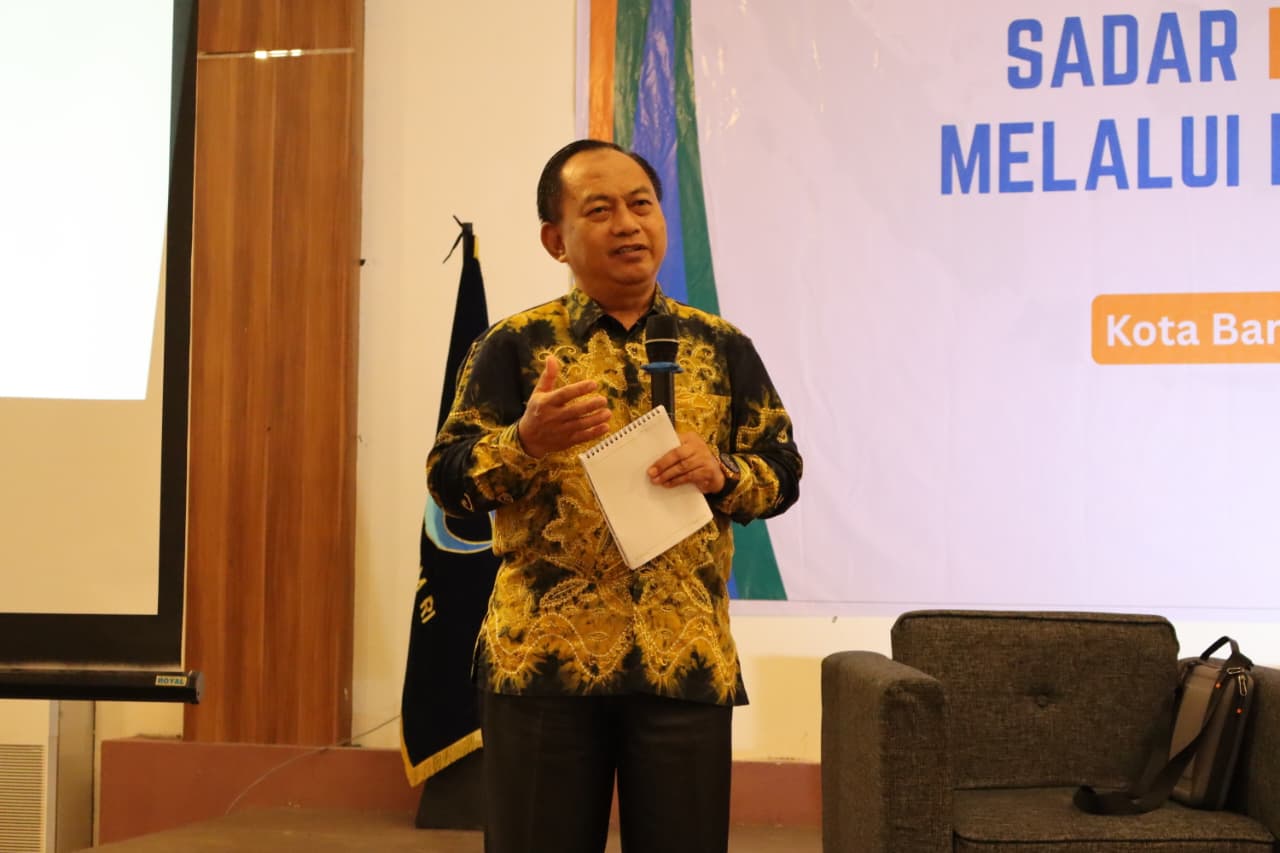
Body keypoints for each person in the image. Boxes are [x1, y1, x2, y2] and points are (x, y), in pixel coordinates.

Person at [426, 139, 802, 853]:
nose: (629, 224)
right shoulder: (513, 346)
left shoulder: (722, 346)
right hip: (543, 663)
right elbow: (448, 482)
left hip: (683, 660)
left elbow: (782, 471)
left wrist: (723, 472)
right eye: (600, 210)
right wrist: (524, 441)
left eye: (642, 204)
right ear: (555, 239)